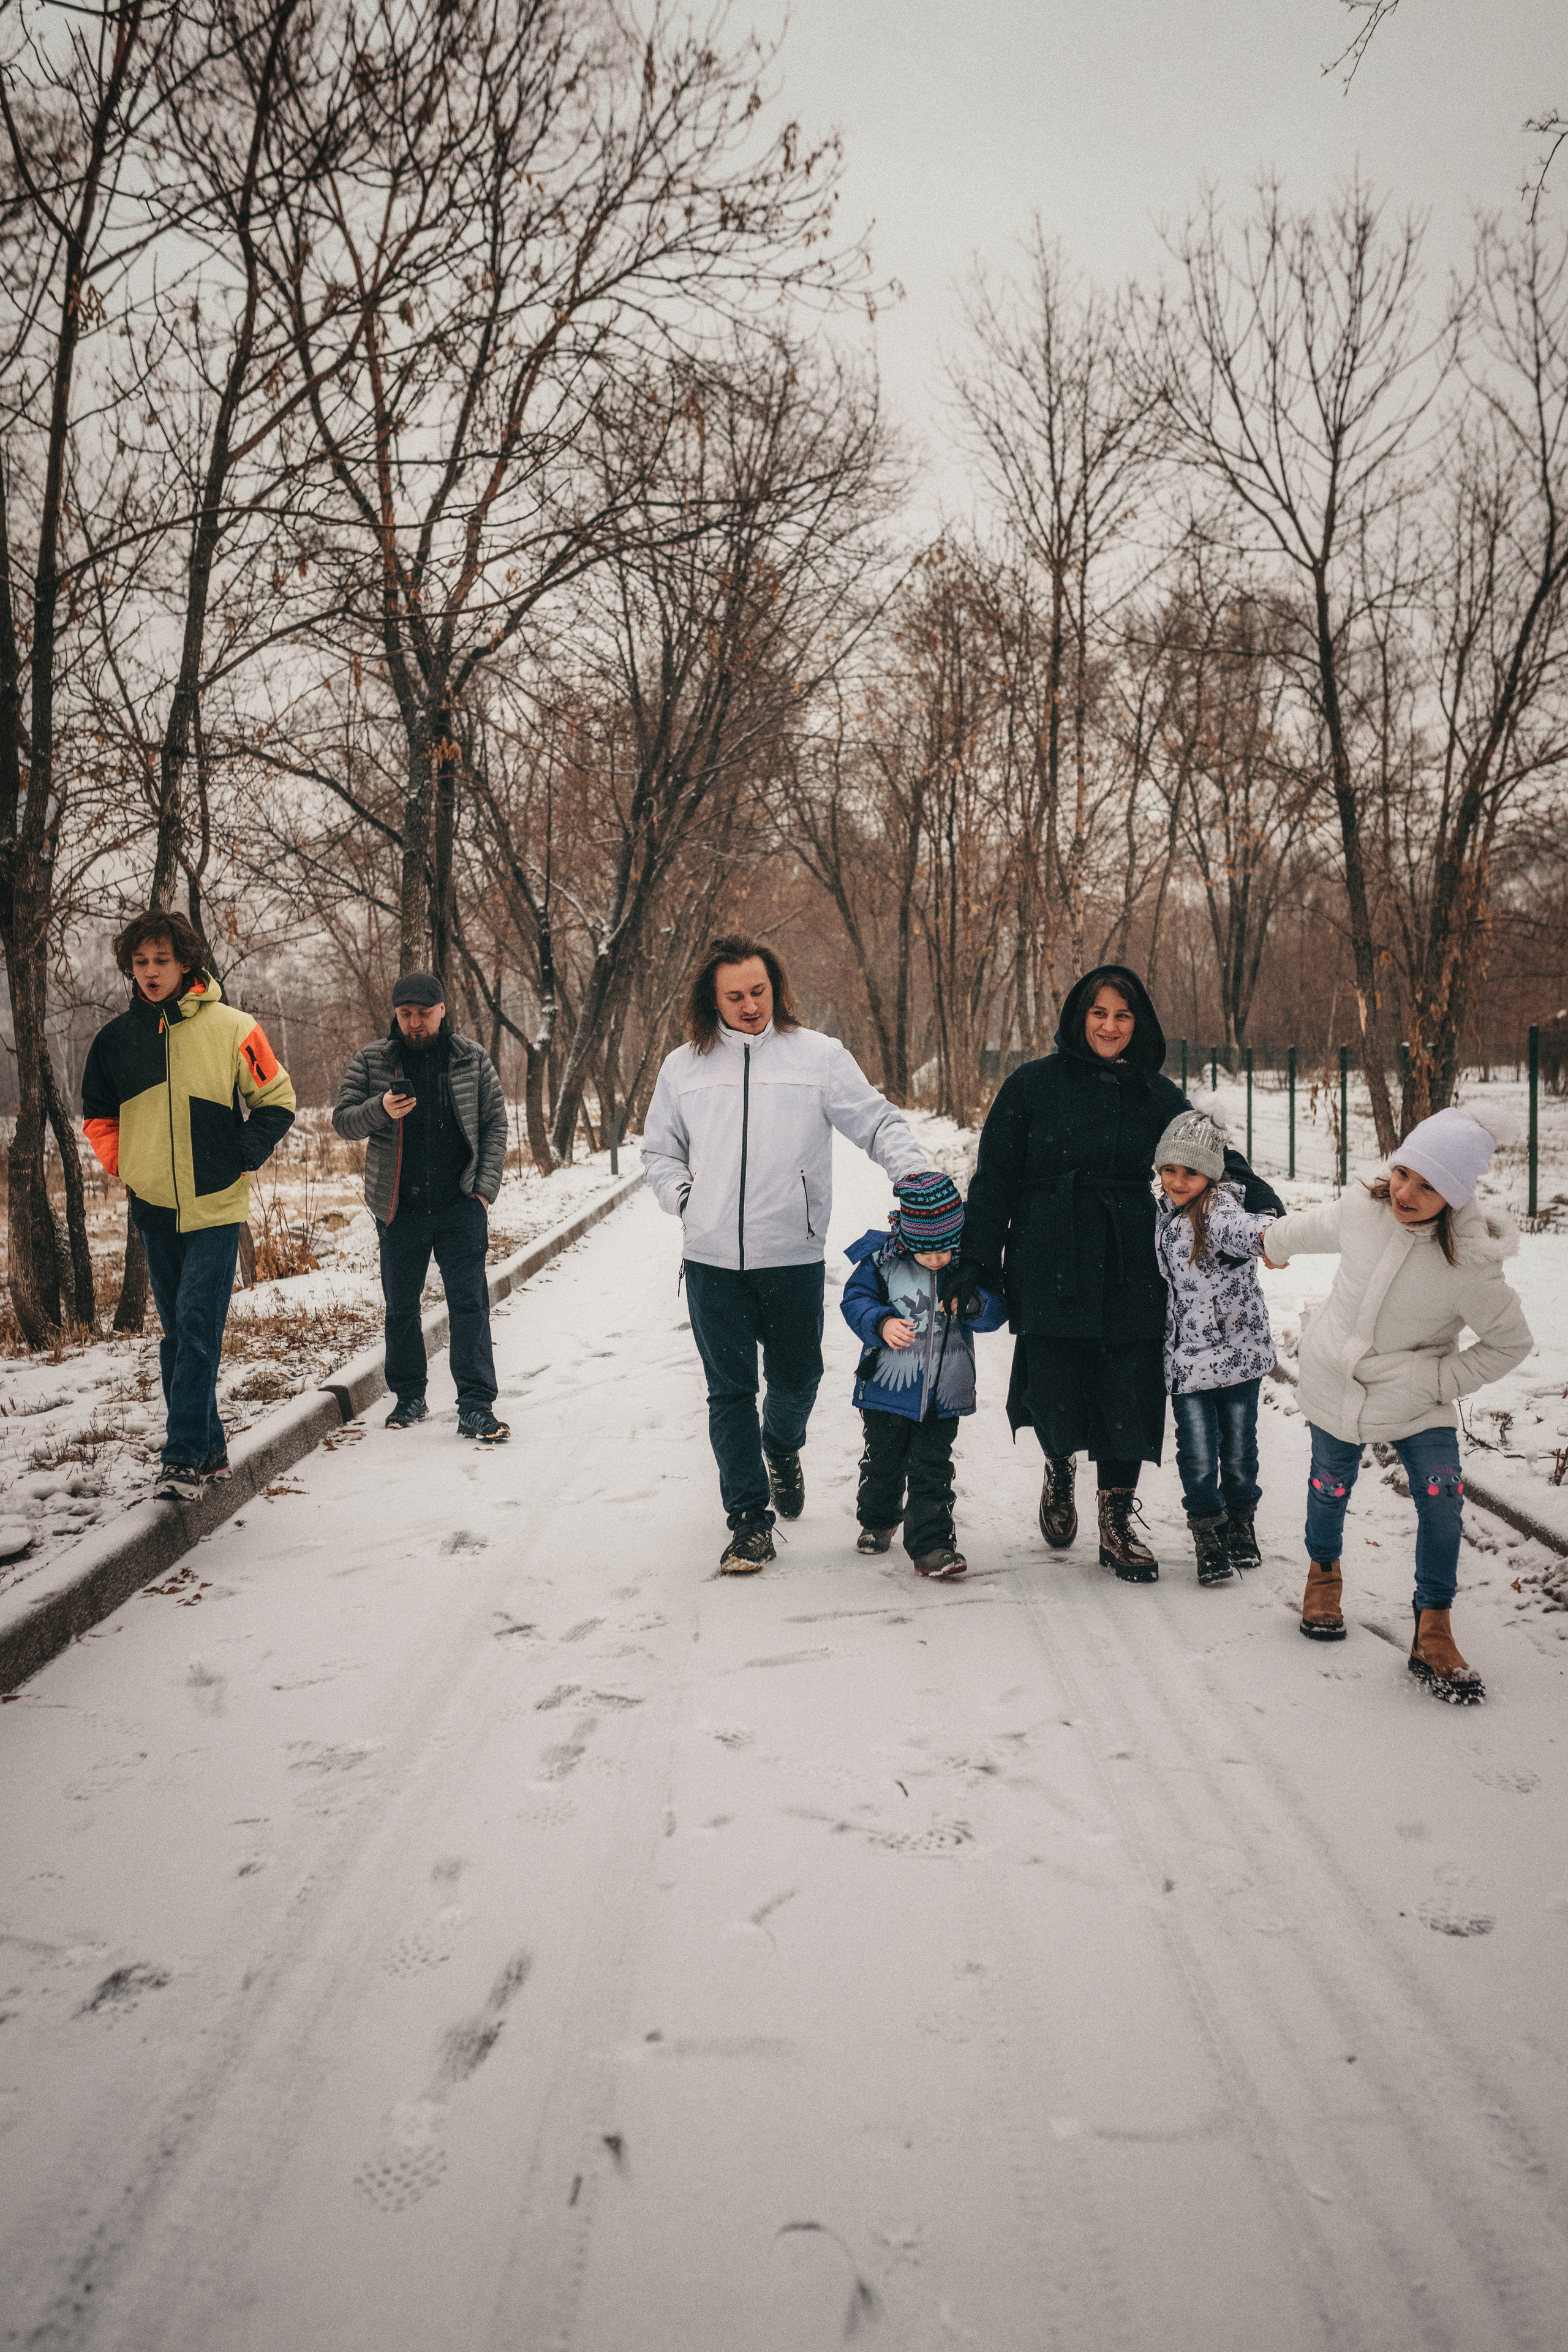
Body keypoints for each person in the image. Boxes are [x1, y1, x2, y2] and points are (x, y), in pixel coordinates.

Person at [954, 967, 1283, 1582]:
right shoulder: (1031, 1085)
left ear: (1140, 1023)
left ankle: (1114, 1520)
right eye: (1099, 1012)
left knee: (1128, 1382)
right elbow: (994, 1177)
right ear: (1080, 1016)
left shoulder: (1156, 1094)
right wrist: (976, 1258)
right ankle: (1058, 1466)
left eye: (1122, 1015)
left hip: (1133, 1254)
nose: (1109, 1026)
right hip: (1049, 1249)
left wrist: (1254, 1194)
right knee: (1055, 1382)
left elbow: (1203, 1150)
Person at [642, 932, 939, 1573]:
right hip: (711, 1260)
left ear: (774, 988)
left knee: (798, 1378)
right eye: (734, 996)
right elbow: (659, 1152)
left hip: (792, 1256)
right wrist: (685, 1199)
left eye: (758, 991)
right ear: (711, 1000)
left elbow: (878, 1121)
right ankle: (749, 1521)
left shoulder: (818, 1057)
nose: (750, 1006)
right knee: (728, 1394)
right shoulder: (682, 1067)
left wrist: (915, 1176)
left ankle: (780, 1444)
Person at [1261, 1105, 1532, 1703]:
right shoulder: (1366, 1209)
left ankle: (1433, 1627)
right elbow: (1311, 1227)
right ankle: (1322, 1578)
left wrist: (1438, 1381)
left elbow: (1511, 1343)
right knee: (1329, 1484)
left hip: (1416, 1396)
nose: (1406, 1192)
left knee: (1441, 1497)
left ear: (1456, 1195)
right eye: (1405, 1172)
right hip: (1336, 1378)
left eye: (1429, 1185)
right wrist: (1272, 1243)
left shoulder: (1470, 1267)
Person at [81, 909, 296, 1501]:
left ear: (186, 964)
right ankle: (212, 1449)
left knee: (199, 1326)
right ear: (130, 966)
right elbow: (98, 1117)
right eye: (141, 962)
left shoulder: (233, 1027)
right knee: (179, 1334)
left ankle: (179, 1459)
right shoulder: (116, 1041)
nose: (151, 972)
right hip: (154, 1206)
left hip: (217, 1204)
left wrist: (243, 1155)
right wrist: (129, 1166)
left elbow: (277, 1099)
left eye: (162, 961)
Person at [332, 972, 510, 1442]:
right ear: (395, 1013)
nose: (415, 1023)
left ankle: (475, 1405)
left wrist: (483, 1190)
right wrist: (379, 1110)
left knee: (469, 1305)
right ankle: (409, 1396)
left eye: (424, 1014)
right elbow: (343, 1120)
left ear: (443, 1010)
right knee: (401, 1308)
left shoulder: (471, 1057)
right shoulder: (374, 1059)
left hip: (459, 1203)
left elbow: (496, 1123)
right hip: (398, 1208)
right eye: (406, 1014)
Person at [840, 1171, 1006, 1580]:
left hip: (944, 1391)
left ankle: (933, 1545)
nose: (937, 1259)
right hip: (886, 1388)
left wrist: (974, 1306)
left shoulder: (967, 1268)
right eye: (927, 1251)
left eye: (947, 1249)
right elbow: (854, 1299)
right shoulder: (881, 1262)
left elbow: (997, 1312)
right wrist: (879, 1323)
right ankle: (879, 1520)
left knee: (932, 1467)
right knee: (884, 1460)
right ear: (909, 1240)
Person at [1152, 1096, 1280, 1585]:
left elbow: (1246, 1229)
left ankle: (1241, 1524)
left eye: (1191, 1172)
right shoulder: (1161, 1211)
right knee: (1199, 1454)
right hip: (1187, 1362)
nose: (1179, 1181)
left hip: (1239, 1357)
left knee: (1241, 1452)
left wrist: (1273, 1239)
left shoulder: (1219, 1207)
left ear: (1212, 1175)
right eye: (1170, 1169)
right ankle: (1207, 1531)